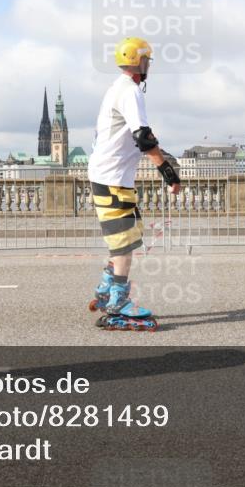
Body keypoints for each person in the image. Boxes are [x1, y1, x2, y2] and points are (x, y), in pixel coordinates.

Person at [86, 37, 181, 331]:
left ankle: (105, 289)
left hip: (109, 176)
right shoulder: (130, 92)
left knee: (127, 236)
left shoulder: (116, 88)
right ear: (140, 62)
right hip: (113, 179)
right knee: (124, 245)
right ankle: (117, 302)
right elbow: (143, 137)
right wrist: (167, 170)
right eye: (147, 60)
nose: (148, 65)